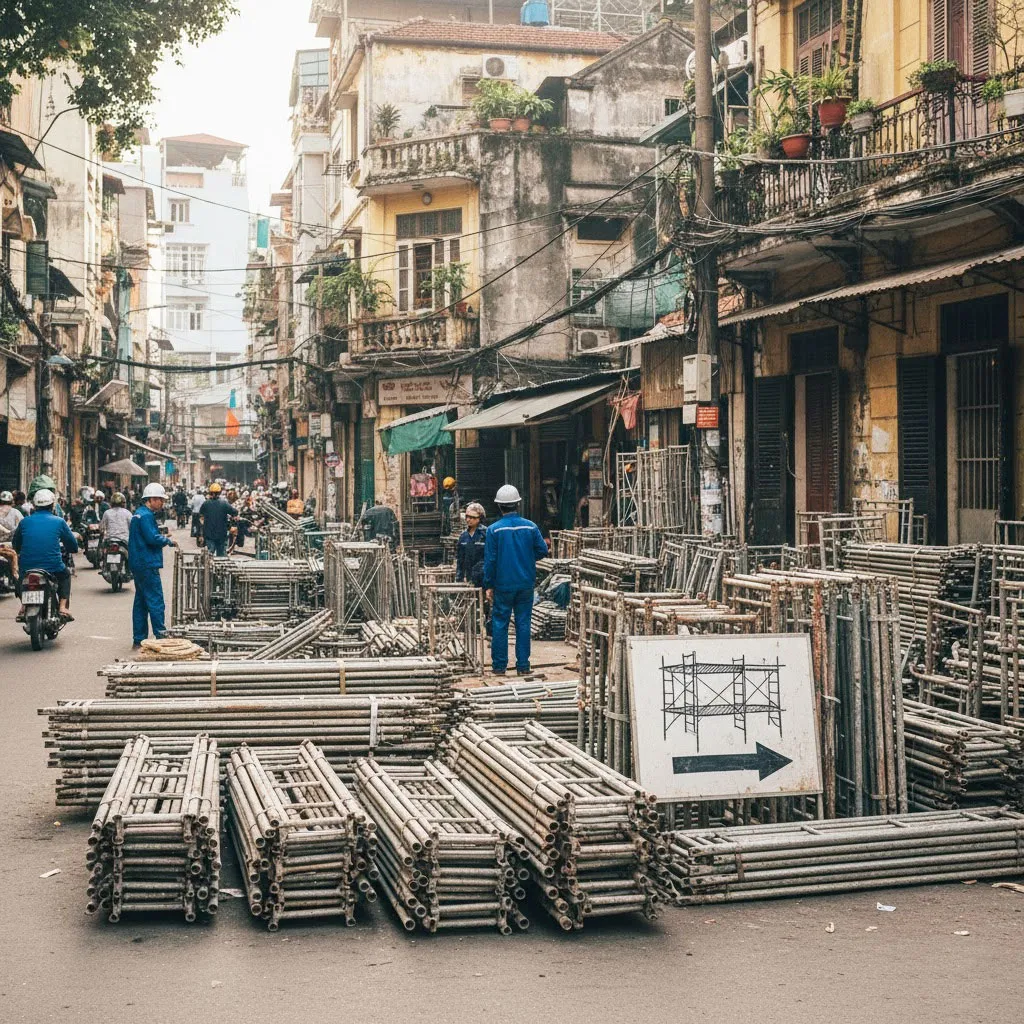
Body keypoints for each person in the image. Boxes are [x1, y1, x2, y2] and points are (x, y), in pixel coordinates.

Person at [483, 484, 547, 676]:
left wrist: (488, 585)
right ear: (517, 504)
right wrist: (526, 559)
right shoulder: (531, 527)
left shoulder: (494, 531)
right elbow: (543, 550)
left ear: (500, 506)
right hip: (526, 583)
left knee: (500, 623)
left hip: (503, 585)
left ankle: (499, 666)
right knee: (523, 623)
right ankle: (523, 666)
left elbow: (490, 560)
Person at [11, 488, 79, 622]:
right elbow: (73, 546)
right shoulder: (59, 521)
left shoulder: (25, 521)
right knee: (65, 575)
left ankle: (24, 605)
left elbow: (16, 544)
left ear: (35, 505)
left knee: (20, 580)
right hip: (53, 567)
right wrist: (72, 548)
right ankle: (63, 607)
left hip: (27, 567)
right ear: (52, 505)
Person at [128, 482, 176, 647]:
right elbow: (152, 538)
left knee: (141, 602)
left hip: (138, 563)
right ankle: (161, 636)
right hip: (147, 563)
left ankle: (138, 638)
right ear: (152, 499)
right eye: (160, 500)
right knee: (155, 600)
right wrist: (168, 541)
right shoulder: (147, 516)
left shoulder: (138, 514)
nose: (162, 503)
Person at [455, 502, 487, 588]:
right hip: (469, 578)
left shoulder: (486, 535)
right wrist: (459, 578)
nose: (468, 520)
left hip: (484, 578)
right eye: (467, 517)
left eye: (472, 517)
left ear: (480, 518)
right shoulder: (463, 537)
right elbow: (460, 560)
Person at [200, 482, 234, 557]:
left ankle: (209, 568)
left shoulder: (205, 504)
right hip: (221, 534)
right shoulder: (224, 504)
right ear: (220, 492)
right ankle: (221, 568)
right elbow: (234, 512)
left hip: (209, 534)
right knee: (221, 556)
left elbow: (201, 517)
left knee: (209, 555)